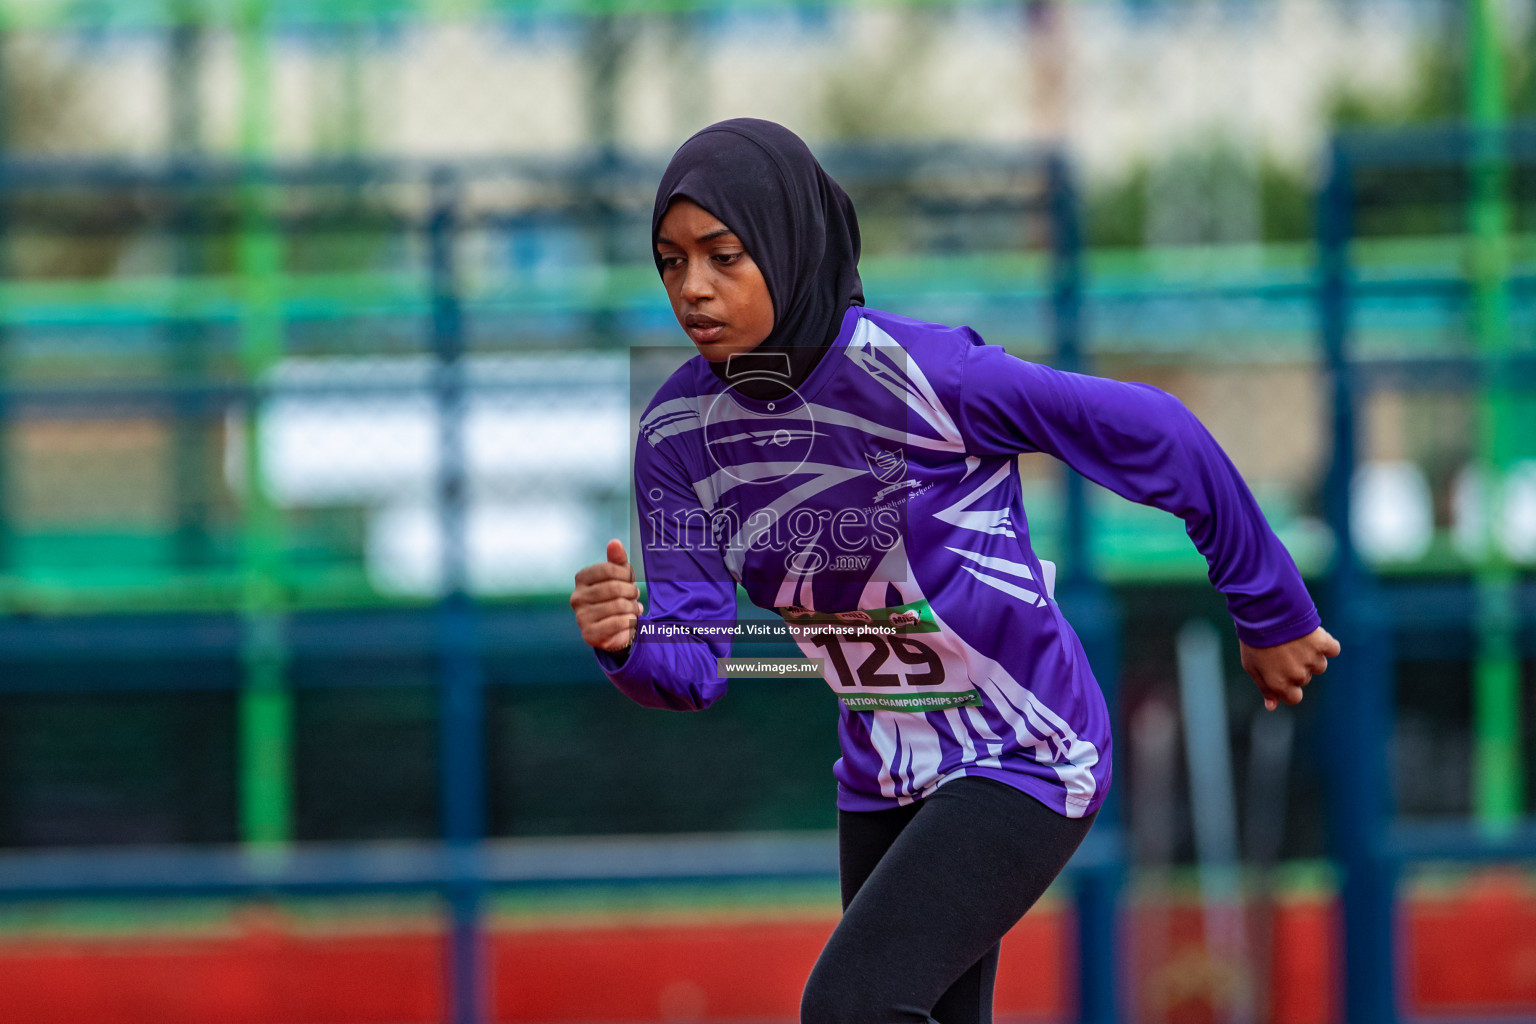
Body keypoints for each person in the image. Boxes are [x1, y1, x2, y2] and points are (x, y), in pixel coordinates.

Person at [568, 118, 1339, 1024]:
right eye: (669, 262)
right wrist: (630, 641)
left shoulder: (930, 377)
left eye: (723, 255)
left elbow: (1159, 431)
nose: (692, 289)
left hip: (1028, 749)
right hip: (883, 768)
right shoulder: (674, 436)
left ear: (788, 245)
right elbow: (694, 665)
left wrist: (1271, 609)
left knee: (852, 1009)